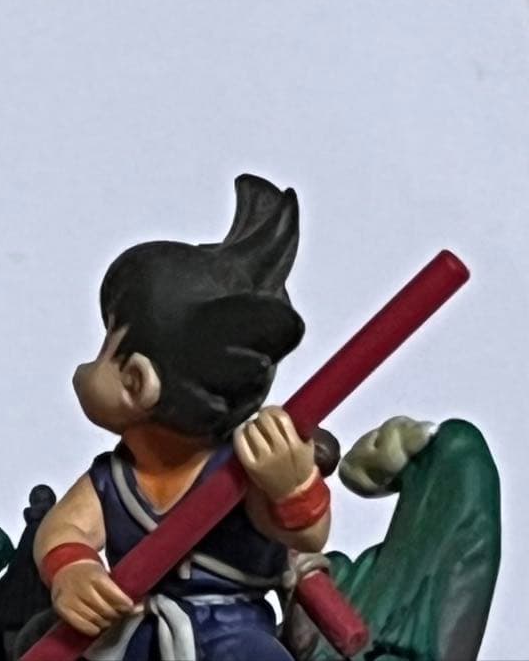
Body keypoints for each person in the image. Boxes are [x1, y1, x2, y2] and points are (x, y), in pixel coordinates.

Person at [32, 175, 332, 661]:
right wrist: (74, 571)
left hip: (234, 633)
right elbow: (67, 529)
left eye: (106, 343)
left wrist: (291, 485)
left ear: (137, 380)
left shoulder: (243, 469)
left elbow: (306, 535)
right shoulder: (115, 479)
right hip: (136, 635)